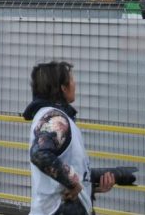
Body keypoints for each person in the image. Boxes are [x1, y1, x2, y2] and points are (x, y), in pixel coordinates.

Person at [23, 61, 115, 214]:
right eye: (72, 80)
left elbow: (67, 168)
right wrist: (73, 183)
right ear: (63, 88)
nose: (75, 84)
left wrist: (92, 184)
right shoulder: (55, 119)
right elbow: (40, 154)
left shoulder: (52, 116)